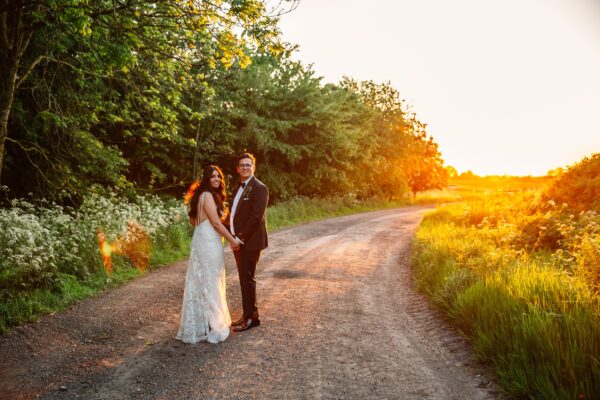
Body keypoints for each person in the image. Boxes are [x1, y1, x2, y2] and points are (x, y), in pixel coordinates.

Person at [176, 165, 240, 344]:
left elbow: (195, 221)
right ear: (206, 179)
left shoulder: (200, 197)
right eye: (212, 177)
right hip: (209, 242)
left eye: (218, 177)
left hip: (201, 238)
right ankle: (212, 323)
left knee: (203, 279)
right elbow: (217, 224)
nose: (216, 179)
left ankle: (203, 322)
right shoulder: (207, 196)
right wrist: (232, 240)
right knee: (211, 279)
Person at [229, 152, 269, 332]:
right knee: (244, 279)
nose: (245, 167)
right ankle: (248, 315)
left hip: (250, 242)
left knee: (248, 279)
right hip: (239, 241)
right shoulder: (239, 188)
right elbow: (235, 215)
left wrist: (239, 238)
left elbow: (255, 217)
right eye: (242, 165)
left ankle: (252, 318)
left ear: (253, 167)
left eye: (248, 165)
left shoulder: (260, 187)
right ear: (237, 169)